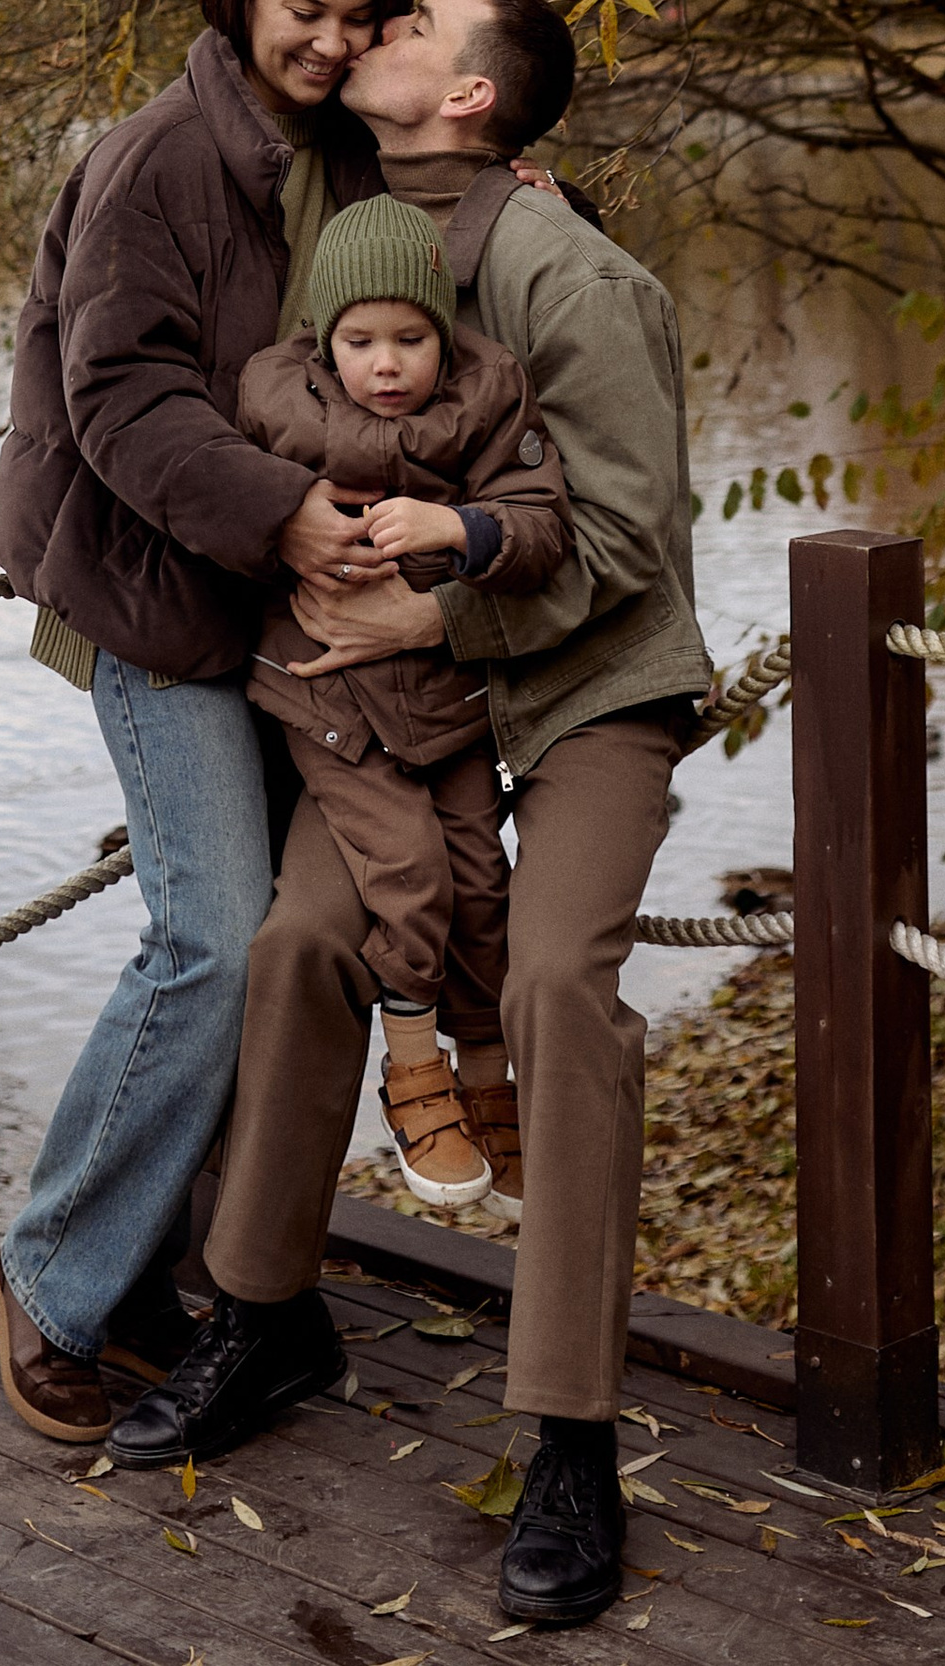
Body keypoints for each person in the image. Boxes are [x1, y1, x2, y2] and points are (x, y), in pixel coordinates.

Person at [108, 0, 712, 1641]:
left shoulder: (572, 272)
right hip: (397, 698)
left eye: (410, 26)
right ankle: (264, 1310)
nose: (371, 32)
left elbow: (629, 540)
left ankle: (571, 1432)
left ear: (471, 97)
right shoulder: (353, 211)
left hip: (584, 674)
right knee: (298, 937)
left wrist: (436, 614)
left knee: (556, 979)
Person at [0, 0, 407, 1447]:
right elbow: (121, 399)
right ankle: (51, 1276)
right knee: (212, 937)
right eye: (306, 11)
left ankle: (161, 1268)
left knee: (289, 951)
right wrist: (284, 514)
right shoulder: (157, 156)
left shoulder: (348, 157)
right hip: (154, 595)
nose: (331, 41)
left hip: (285, 621)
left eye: (359, 18)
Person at [232, 195, 572, 1209]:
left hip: (446, 692)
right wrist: (286, 528)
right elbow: (224, 514)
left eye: (410, 340)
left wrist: (459, 527)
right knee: (411, 874)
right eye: (360, 341)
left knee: (481, 880)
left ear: (445, 332)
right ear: (323, 338)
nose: (386, 365)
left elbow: (541, 523)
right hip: (330, 698)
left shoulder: (488, 393)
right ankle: (415, 1068)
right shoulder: (276, 401)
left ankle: (487, 1076)